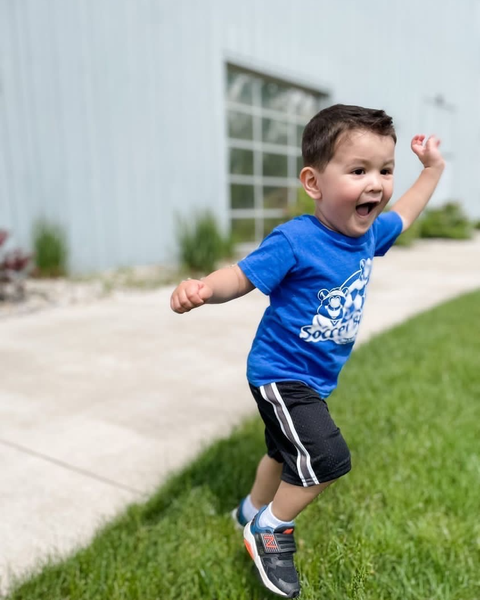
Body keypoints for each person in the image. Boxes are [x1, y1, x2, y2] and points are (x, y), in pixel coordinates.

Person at [170, 104, 445, 598]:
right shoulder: (296, 239)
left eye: (385, 170)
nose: (377, 184)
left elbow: (405, 212)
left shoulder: (367, 236)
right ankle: (271, 528)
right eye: (358, 171)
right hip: (280, 372)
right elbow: (242, 276)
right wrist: (204, 289)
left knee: (281, 453)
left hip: (313, 379)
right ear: (314, 183)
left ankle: (249, 511)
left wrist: (432, 170)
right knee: (327, 456)